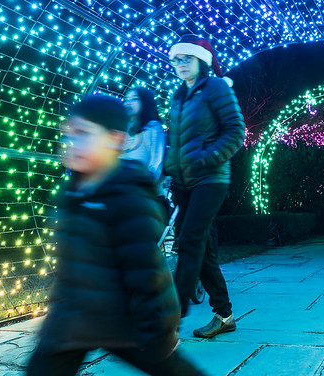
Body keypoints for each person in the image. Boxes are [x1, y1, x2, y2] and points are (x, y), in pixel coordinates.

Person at [27, 95, 204, 376]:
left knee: (172, 369)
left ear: (115, 139)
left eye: (84, 134)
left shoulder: (129, 196)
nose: (73, 144)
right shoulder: (73, 191)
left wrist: (158, 333)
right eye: (70, 135)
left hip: (124, 316)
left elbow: (146, 272)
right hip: (74, 316)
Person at [164, 35, 245, 339]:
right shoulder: (178, 95)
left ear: (201, 59)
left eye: (186, 58)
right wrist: (169, 168)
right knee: (203, 249)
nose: (180, 65)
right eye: (175, 60)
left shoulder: (215, 88)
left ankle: (170, 320)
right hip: (184, 182)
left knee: (188, 242)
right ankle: (224, 315)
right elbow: (175, 140)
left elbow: (236, 131)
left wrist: (208, 157)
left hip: (211, 179)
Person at [121, 87, 166, 182]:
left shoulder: (152, 128)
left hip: (139, 190)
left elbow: (156, 164)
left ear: (144, 102)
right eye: (127, 99)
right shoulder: (122, 127)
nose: (128, 102)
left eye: (135, 99)